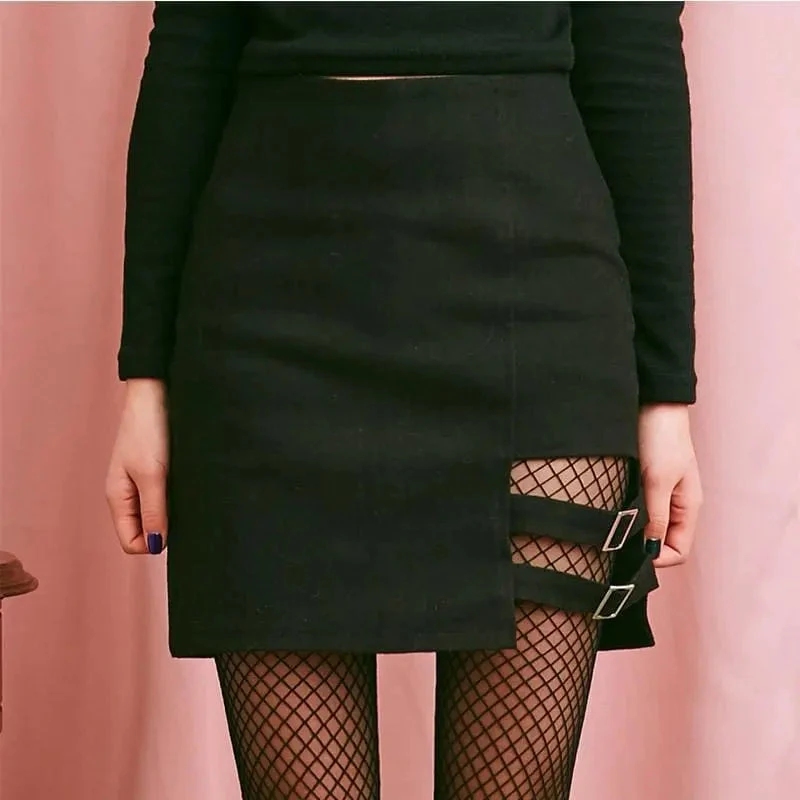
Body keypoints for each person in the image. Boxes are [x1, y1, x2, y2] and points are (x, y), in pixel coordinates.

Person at [105, 2, 702, 798]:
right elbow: (189, 54)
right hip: (271, 318)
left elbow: (635, 66)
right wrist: (146, 382)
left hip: (537, 306)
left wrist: (664, 396)